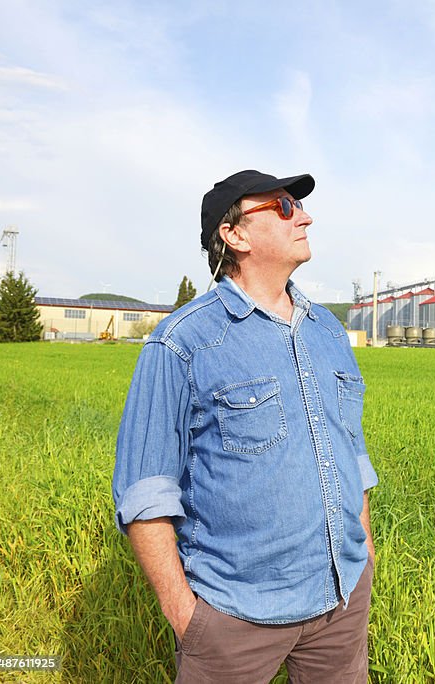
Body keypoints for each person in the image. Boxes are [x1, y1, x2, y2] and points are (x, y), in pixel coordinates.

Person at [112, 170, 378, 682]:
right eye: (281, 207)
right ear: (234, 236)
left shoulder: (328, 331)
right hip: (234, 617)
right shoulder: (182, 342)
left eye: (296, 206)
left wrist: (362, 549)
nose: (304, 215)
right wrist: (186, 615)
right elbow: (145, 489)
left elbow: (351, 450)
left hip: (340, 599)